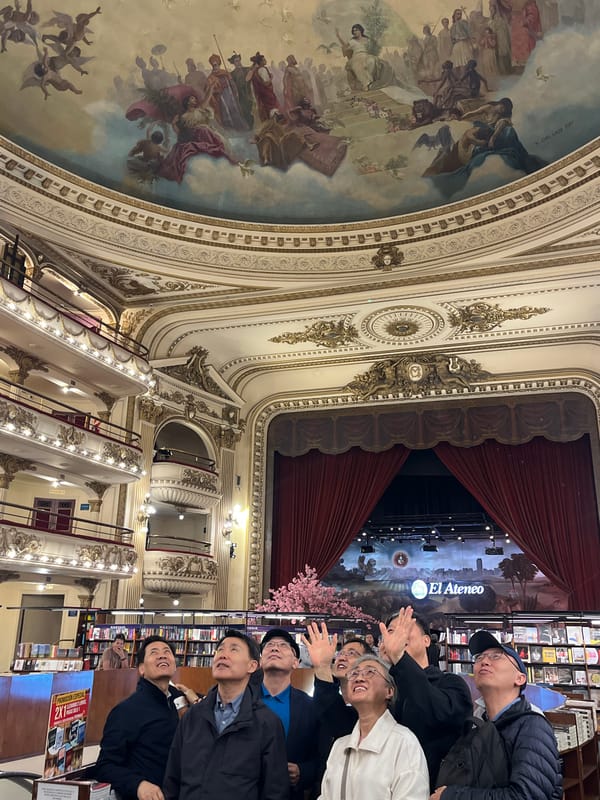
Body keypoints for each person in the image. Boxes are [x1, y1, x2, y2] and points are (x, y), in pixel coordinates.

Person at [431, 630, 563, 800]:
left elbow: (527, 796)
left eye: (496, 656)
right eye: (479, 658)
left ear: (520, 678)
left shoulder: (532, 726)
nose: (484, 661)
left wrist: (452, 796)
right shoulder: (476, 724)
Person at [163, 629, 289, 800]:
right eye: (220, 649)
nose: (223, 655)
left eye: (234, 649)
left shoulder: (266, 722)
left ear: (252, 666)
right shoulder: (193, 716)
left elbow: (275, 791)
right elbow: (172, 779)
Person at [378, 607, 473, 789]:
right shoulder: (384, 690)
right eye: (391, 631)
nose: (398, 635)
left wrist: (399, 658)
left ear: (426, 640)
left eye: (405, 628)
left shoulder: (451, 683)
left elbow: (437, 714)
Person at [95, 635, 197, 800]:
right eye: (154, 653)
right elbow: (105, 766)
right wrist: (138, 784)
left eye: (167, 652)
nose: (162, 655)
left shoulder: (178, 700)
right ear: (141, 669)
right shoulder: (126, 711)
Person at [320, 654, 430, 800]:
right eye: (354, 673)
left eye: (370, 672)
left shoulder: (404, 742)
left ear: (389, 691)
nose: (359, 678)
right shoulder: (340, 746)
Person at [259, 628, 319, 798]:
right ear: (260, 660)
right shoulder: (242, 701)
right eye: (269, 645)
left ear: (296, 662)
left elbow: (321, 755)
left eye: (283, 646)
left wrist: (303, 771)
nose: (275, 648)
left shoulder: (310, 707)